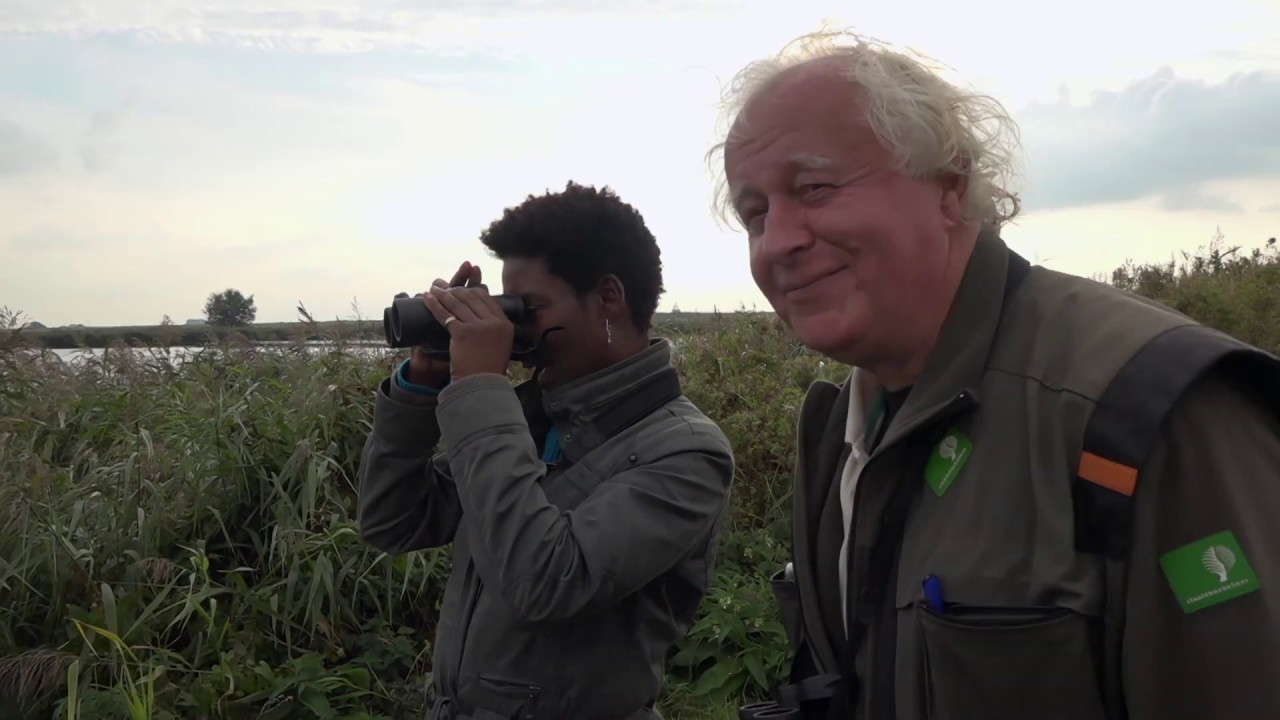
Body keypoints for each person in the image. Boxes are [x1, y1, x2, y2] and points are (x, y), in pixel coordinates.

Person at [710, 28, 1280, 720]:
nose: (779, 241)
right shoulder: (842, 432)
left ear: (949, 186)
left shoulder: (1147, 410)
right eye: (754, 213)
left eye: (816, 188)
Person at [356, 181, 735, 720]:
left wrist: (479, 390)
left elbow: (545, 582)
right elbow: (394, 522)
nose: (517, 329)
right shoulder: (531, 417)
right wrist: (426, 381)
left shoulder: (686, 451)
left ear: (608, 296)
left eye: (528, 308)